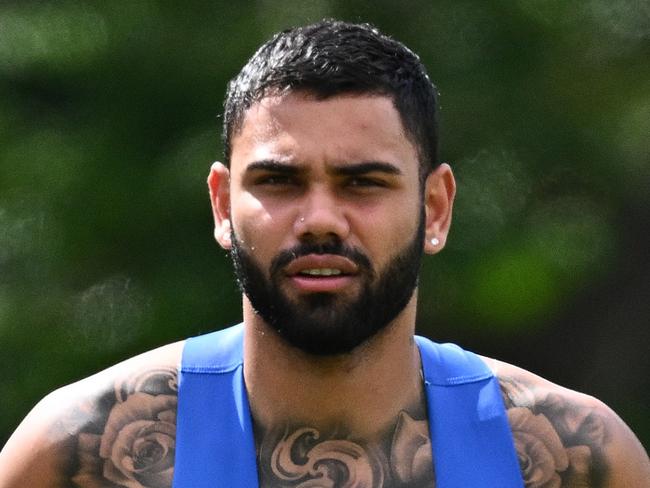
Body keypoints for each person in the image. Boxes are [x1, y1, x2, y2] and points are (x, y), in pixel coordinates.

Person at [0, 19, 648, 488]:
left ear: (438, 208)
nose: (318, 221)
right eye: (279, 181)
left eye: (363, 182)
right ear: (223, 205)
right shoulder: (79, 456)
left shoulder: (576, 461)